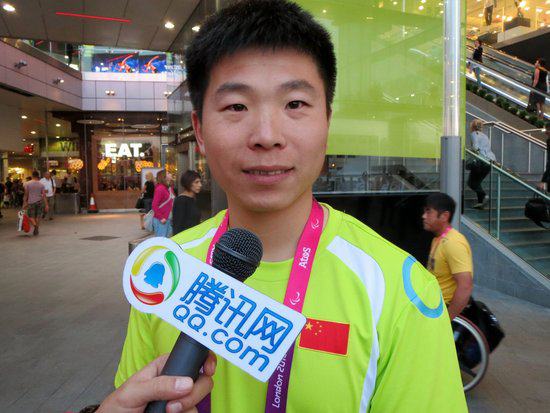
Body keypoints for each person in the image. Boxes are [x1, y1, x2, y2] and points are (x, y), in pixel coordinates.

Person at [114, 1, 466, 412]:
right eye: (236, 106)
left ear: (327, 122)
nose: (267, 135)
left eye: (295, 104)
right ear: (200, 130)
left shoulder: (398, 292)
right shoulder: (166, 271)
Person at [422, 193, 474, 321]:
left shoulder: (453, 243)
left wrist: (446, 320)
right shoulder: (438, 239)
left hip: (440, 312)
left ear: (444, 216)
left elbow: (465, 286)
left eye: (429, 212)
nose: (423, 216)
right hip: (432, 307)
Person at [468, 119, 495, 209]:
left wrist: (470, 150)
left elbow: (475, 148)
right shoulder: (485, 136)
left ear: (472, 127)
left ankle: (484, 196)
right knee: (477, 182)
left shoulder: (474, 134)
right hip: (489, 161)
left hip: (480, 161)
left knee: (471, 183)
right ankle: (480, 203)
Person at [172, 170, 202, 235]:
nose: (200, 185)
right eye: (196, 182)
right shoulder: (181, 201)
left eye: (200, 182)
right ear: (188, 183)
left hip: (195, 237)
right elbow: (177, 226)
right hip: (186, 239)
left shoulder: (193, 198)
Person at [23, 170, 48, 236]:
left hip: (31, 202)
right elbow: (44, 195)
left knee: (30, 216)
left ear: (32, 176)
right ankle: (37, 228)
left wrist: (24, 203)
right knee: (38, 216)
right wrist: (46, 205)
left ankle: (35, 226)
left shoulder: (27, 184)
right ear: (38, 176)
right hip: (39, 202)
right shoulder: (41, 184)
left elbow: (26, 194)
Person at [151, 169, 175, 237]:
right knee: (161, 241)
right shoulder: (160, 188)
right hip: (161, 220)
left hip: (167, 218)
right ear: (163, 177)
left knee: (167, 240)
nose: (170, 174)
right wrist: (161, 218)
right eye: (168, 173)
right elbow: (154, 205)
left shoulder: (168, 188)